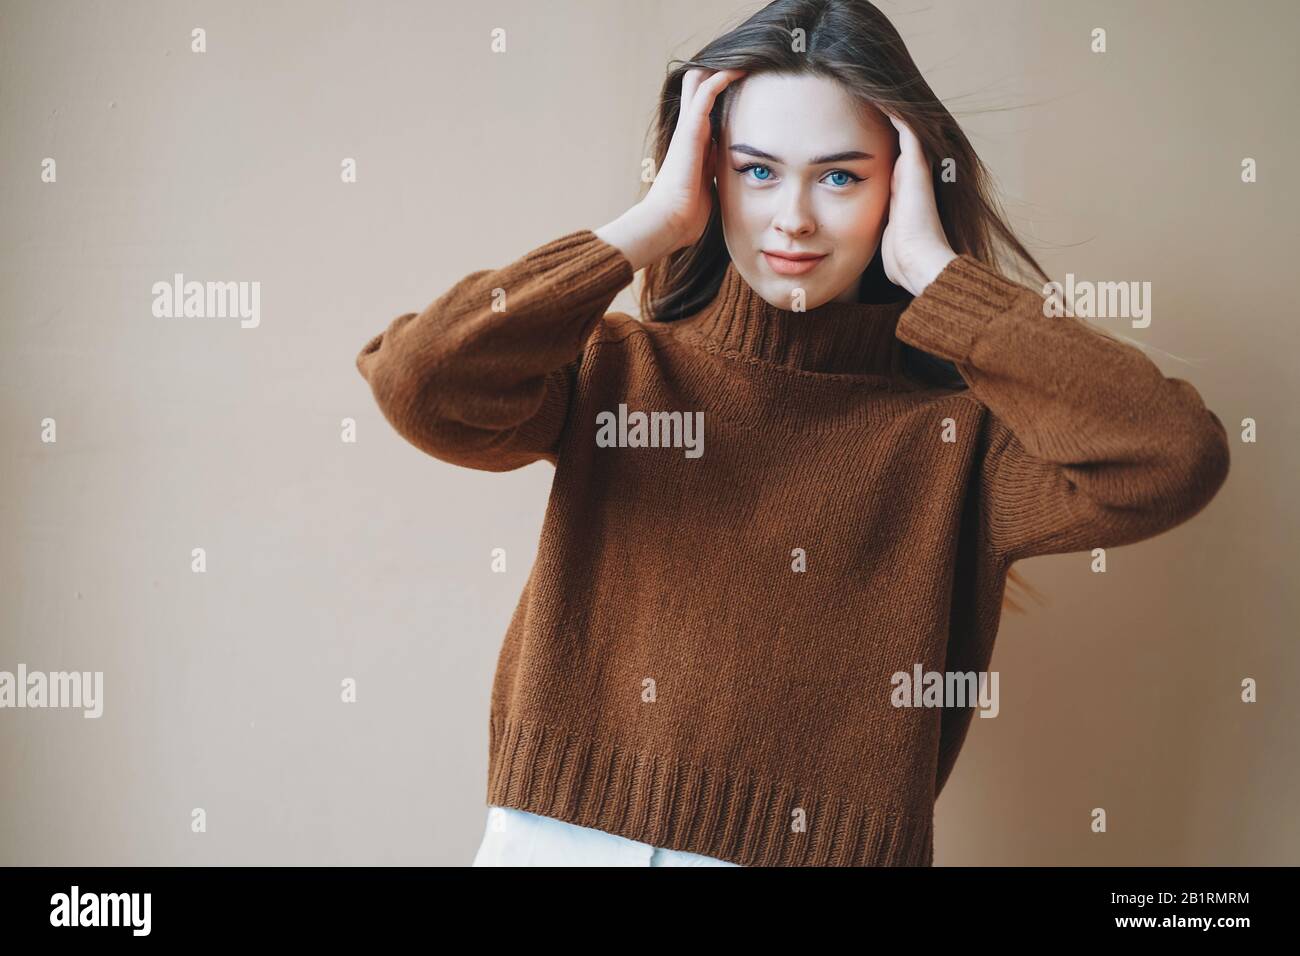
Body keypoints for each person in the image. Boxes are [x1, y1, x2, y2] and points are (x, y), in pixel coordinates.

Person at [355, 0, 1230, 867]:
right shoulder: (617, 369)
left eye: (842, 176)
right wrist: (649, 225)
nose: (795, 218)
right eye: (757, 171)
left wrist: (938, 276)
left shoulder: (959, 443)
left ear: (908, 184)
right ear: (706, 172)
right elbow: (419, 380)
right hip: (558, 842)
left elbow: (1172, 456)